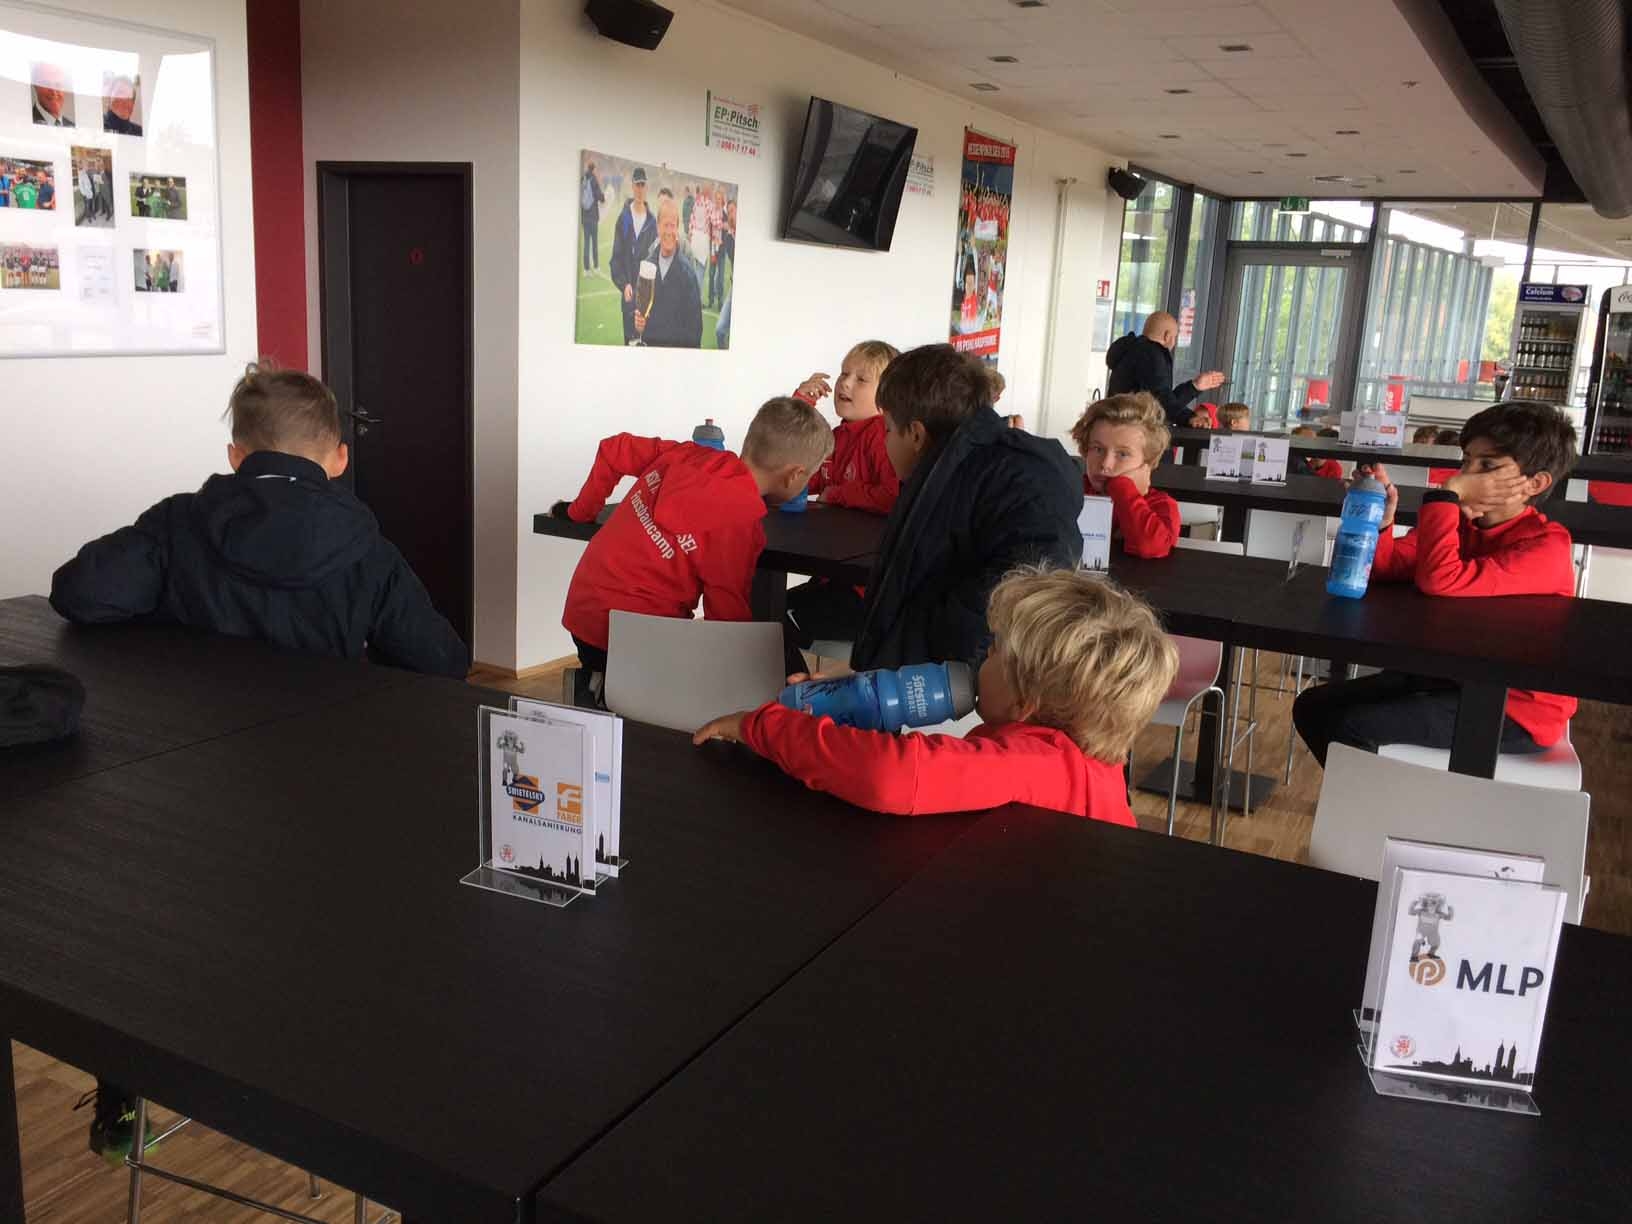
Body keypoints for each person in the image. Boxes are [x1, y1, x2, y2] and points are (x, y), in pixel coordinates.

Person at [50, 365, 468, 1160]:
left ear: (236, 455)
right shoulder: (365, 547)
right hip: (329, 829)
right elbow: (441, 661)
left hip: (189, 817)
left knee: (152, 913)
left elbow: (80, 593)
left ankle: (127, 1091)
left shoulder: (181, 523)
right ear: (337, 457)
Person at [694, 567, 1177, 824]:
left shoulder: (1035, 765)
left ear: (1026, 701)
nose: (982, 657)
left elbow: (889, 775)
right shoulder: (1088, 760)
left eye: (995, 651)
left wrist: (762, 726)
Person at [1291, 401, 1579, 767]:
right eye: (1466, 462)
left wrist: (1446, 496)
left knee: (1350, 725)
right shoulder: (1461, 522)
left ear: (1535, 483)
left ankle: (1386, 802)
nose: (1466, 475)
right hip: (1452, 675)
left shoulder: (1546, 545)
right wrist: (1384, 521)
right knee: (1313, 707)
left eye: (1487, 466)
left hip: (1514, 706)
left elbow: (1440, 580)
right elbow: (1387, 568)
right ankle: (1371, 798)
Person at [551, 396, 833, 688]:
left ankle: (598, 686)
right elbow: (726, 620)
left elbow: (613, 450)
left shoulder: (686, 454)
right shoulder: (739, 524)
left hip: (583, 612)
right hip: (641, 640)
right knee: (769, 657)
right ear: (794, 475)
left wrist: (579, 512)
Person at [850, 344, 1083, 671]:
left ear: (916, 435)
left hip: (971, 677)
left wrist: (897, 672)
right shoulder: (969, 466)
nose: (885, 440)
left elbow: (1005, 600)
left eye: (888, 429)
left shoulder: (991, 477)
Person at [782, 341, 903, 665]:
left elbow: (895, 496)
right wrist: (801, 406)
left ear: (888, 397)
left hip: (868, 592)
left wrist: (839, 493)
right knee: (768, 609)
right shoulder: (839, 436)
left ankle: (797, 690)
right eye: (843, 373)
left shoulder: (882, 436)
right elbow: (793, 478)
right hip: (833, 576)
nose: (845, 384)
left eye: (861, 379)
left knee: (773, 617)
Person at [1072, 392, 1180, 559]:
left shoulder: (1161, 506)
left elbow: (1150, 546)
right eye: (1098, 449)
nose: (1105, 464)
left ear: (1147, 464)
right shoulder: (1073, 491)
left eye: (1122, 454)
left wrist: (1121, 487)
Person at [1105, 311, 1225, 431]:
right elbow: (1162, 399)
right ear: (1167, 336)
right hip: (1132, 432)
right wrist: (1190, 418)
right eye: (1175, 337)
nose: (1174, 342)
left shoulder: (1133, 352)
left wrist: (1195, 386)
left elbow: (1161, 403)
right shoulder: (1151, 353)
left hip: (1119, 428)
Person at [637, 194, 703, 348]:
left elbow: (695, 330)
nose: (668, 231)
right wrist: (640, 325)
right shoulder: (647, 266)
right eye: (665, 225)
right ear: (657, 227)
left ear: (677, 228)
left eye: (672, 225)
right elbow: (641, 312)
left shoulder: (687, 274)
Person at [608, 166, 657, 344]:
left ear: (647, 187)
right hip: (629, 298)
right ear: (632, 186)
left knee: (646, 345)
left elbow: (655, 260)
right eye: (637, 185)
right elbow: (616, 259)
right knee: (629, 345)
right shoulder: (624, 219)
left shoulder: (652, 222)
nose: (640, 189)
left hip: (647, 300)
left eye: (643, 185)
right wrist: (624, 284)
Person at [580, 159, 604, 273]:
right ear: (593, 169)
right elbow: (600, 197)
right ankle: (596, 266)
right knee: (594, 242)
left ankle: (586, 269)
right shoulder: (594, 180)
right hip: (593, 216)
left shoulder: (582, 179)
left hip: (584, 216)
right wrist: (603, 196)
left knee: (586, 243)